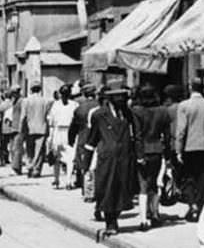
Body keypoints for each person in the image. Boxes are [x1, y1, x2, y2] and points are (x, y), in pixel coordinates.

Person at [85, 88, 137, 237]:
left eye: (123, 98)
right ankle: (110, 222)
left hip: (125, 158)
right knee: (107, 189)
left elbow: (135, 134)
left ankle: (115, 216)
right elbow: (92, 139)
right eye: (118, 98)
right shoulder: (99, 115)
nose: (122, 101)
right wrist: (86, 163)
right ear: (110, 99)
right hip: (107, 159)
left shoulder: (128, 114)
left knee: (122, 190)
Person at [175, 80, 204, 222]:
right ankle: (199, 206)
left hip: (189, 146)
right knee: (203, 178)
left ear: (190, 88)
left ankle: (192, 204)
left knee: (188, 177)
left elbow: (181, 130)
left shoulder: (184, 105)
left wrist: (178, 149)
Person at [131, 85, 172, 230]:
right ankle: (154, 214)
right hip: (157, 150)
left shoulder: (136, 111)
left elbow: (137, 135)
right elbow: (167, 136)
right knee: (154, 183)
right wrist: (167, 156)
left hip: (143, 150)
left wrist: (139, 154)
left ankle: (143, 219)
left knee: (143, 185)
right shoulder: (163, 111)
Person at [69, 84, 100, 196]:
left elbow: (73, 127)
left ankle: (86, 190)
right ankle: (96, 189)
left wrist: (71, 139)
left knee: (85, 164)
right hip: (98, 139)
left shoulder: (79, 109)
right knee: (96, 164)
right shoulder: (100, 106)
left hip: (83, 138)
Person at [47, 85, 78, 189]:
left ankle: (59, 180)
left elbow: (51, 122)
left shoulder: (56, 105)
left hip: (61, 131)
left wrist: (50, 137)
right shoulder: (74, 105)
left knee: (59, 157)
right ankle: (65, 181)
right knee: (67, 157)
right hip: (65, 131)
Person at [20, 84, 53, 178]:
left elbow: (23, 116)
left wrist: (21, 129)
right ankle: (36, 169)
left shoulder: (26, 101)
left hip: (29, 128)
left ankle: (30, 166)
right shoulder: (46, 101)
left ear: (31, 90)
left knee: (29, 149)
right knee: (39, 150)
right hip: (42, 127)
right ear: (40, 90)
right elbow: (48, 116)